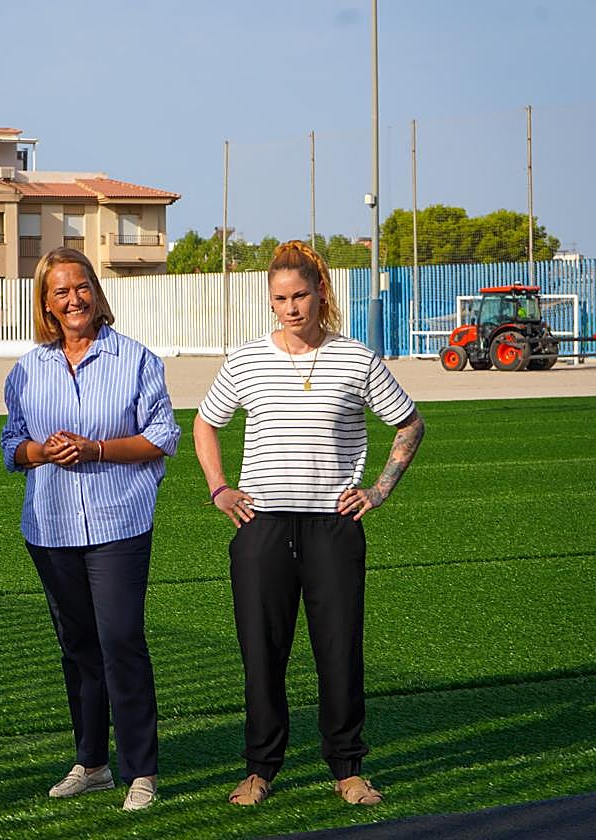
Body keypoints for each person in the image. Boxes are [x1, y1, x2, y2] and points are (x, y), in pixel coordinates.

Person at [193, 240, 425, 808]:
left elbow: (410, 425)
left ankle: (347, 768)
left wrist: (378, 490)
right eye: (280, 299)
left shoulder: (356, 359)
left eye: (300, 295)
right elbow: (204, 423)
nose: (291, 308)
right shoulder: (247, 360)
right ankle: (259, 770)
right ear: (269, 302)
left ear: (321, 293)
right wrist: (220, 488)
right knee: (261, 652)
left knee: (339, 650)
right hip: (263, 525)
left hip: (332, 527)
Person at [0, 247, 180, 812]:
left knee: (121, 640)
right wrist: (41, 450)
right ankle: (92, 763)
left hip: (117, 521)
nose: (73, 299)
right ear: (46, 304)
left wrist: (95, 447)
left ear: (96, 293)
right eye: (60, 292)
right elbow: (11, 447)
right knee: (77, 647)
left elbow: (161, 437)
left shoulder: (136, 360)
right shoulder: (28, 369)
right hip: (50, 528)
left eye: (81, 288)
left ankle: (141, 770)